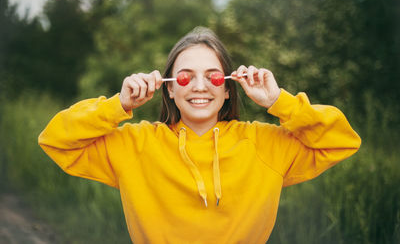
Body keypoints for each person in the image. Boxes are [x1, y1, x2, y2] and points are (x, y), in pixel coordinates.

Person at [38, 27, 361, 244]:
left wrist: (280, 102)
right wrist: (117, 106)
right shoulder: (136, 145)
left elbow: (341, 141)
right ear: (170, 91)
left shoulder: (265, 145)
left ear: (227, 91)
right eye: (185, 76)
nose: (200, 86)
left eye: (213, 76)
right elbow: (56, 140)